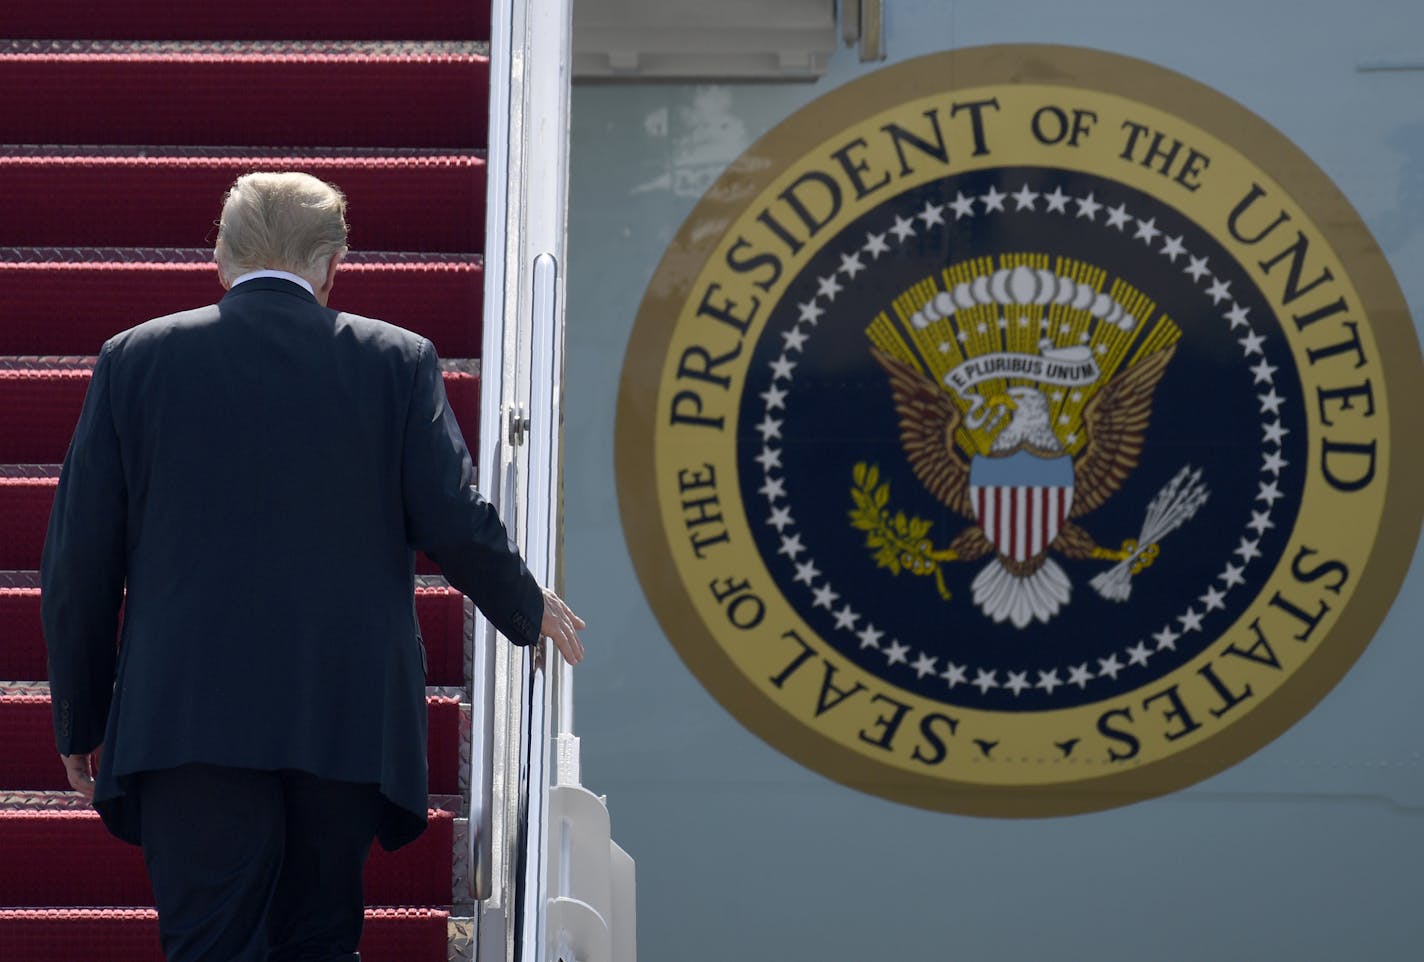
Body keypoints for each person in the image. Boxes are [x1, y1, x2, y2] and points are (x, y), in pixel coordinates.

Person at [41, 171, 585, 962]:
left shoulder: (136, 361)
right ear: (332, 266)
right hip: (344, 722)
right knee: (321, 942)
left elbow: (79, 560)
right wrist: (524, 600)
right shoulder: (396, 362)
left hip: (187, 722)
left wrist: (79, 718)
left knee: (211, 947)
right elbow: (451, 516)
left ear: (221, 260)